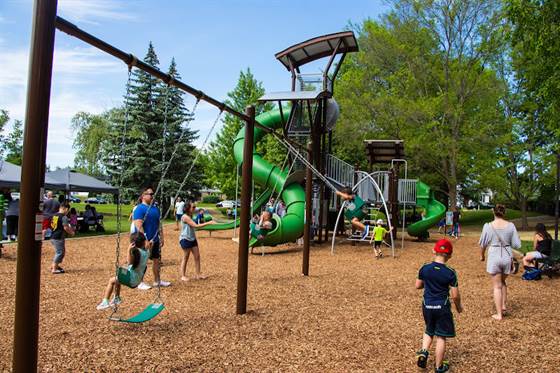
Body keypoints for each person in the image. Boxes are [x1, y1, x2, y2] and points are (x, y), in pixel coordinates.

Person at [415, 239, 463, 373]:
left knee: (429, 329)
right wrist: (459, 307)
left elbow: (418, 285)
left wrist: (429, 283)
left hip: (427, 305)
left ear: (434, 251)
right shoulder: (450, 272)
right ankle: (439, 367)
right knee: (441, 336)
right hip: (441, 307)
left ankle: (424, 351)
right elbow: (455, 295)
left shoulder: (424, 268)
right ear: (450, 255)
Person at [479, 204, 521, 320]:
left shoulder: (488, 226)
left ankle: (499, 314)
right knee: (503, 281)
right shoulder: (511, 226)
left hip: (494, 255)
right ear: (504, 212)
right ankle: (503, 306)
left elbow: (483, 244)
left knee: (497, 286)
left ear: (493, 212)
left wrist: (482, 255)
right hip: (507, 255)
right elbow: (517, 244)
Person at [96, 232, 150, 310]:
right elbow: (147, 247)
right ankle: (117, 298)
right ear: (144, 242)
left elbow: (129, 262)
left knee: (111, 280)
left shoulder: (136, 252)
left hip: (131, 279)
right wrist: (148, 244)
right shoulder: (147, 252)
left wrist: (128, 250)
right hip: (138, 280)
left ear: (133, 243)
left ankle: (105, 302)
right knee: (119, 277)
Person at [133, 187, 170, 290]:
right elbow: (138, 225)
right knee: (142, 261)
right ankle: (139, 282)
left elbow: (159, 224)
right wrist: (145, 240)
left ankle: (157, 281)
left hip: (155, 240)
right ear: (143, 196)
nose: (152, 195)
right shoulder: (139, 208)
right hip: (144, 241)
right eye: (150, 194)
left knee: (157, 260)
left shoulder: (155, 208)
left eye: (153, 194)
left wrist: (162, 237)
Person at [179, 202, 215, 281]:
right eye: (193, 207)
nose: (195, 209)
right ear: (188, 208)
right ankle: (183, 275)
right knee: (186, 257)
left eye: (195, 207)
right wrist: (209, 223)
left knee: (197, 256)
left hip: (192, 238)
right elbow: (195, 226)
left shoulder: (190, 215)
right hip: (185, 239)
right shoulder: (185, 217)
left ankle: (198, 274)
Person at [50, 202, 75, 274]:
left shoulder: (54, 215)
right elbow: (66, 227)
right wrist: (72, 232)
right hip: (58, 237)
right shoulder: (64, 217)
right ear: (66, 209)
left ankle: (55, 266)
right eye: (68, 210)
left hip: (53, 236)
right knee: (60, 252)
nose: (68, 212)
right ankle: (54, 268)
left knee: (61, 252)